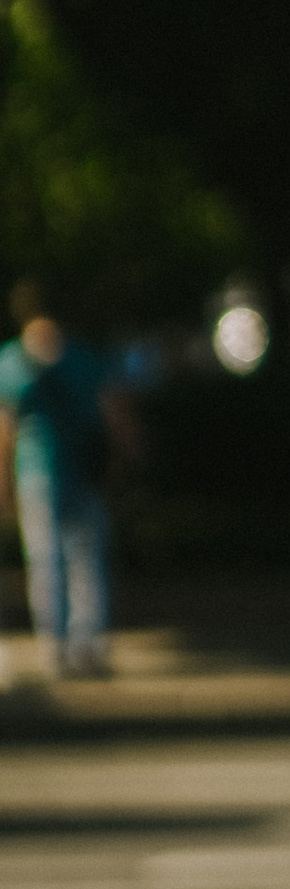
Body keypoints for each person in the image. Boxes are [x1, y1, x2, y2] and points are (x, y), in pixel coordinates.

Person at [0, 291, 126, 683]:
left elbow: (5, 428)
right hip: (53, 472)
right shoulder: (72, 359)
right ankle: (70, 645)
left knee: (64, 560)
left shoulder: (19, 362)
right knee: (63, 560)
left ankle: (72, 644)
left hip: (57, 472)